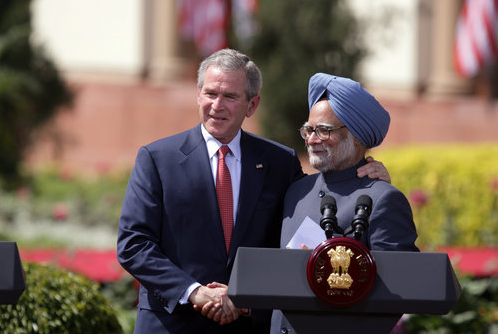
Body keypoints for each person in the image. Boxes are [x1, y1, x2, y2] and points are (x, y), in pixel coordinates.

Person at [117, 49, 390, 334]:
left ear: (252, 105)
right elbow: (134, 244)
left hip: (248, 324)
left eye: (230, 97)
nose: (217, 105)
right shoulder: (157, 158)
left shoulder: (279, 163)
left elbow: (318, 206)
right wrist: (195, 292)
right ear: (198, 94)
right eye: (210, 94)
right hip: (170, 323)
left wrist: (370, 182)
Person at [271, 73, 419, 334]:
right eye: (308, 129)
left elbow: (398, 289)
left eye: (324, 130)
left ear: (357, 137)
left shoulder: (383, 199)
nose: (312, 139)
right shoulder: (296, 191)